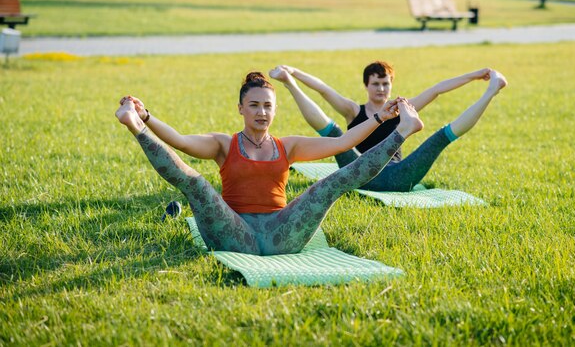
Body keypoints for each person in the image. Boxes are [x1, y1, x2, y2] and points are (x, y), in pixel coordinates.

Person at [116, 72, 424, 255]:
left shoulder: (287, 146)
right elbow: (180, 141)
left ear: (274, 110)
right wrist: (144, 117)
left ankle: (403, 131)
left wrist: (383, 117)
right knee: (195, 183)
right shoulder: (224, 144)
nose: (261, 112)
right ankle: (133, 126)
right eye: (254, 105)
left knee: (333, 182)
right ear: (241, 108)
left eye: (267, 106)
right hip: (232, 233)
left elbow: (342, 143)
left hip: (283, 234)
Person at [269, 62, 507, 192]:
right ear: (366, 86)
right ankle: (288, 83)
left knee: (440, 138)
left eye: (385, 84)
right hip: (357, 171)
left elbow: (437, 89)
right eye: (375, 84)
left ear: (391, 85)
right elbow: (324, 89)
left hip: (397, 175)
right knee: (335, 136)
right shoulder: (354, 111)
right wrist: (293, 72)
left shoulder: (404, 107)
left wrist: (476, 76)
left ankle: (491, 90)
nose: (381, 89)